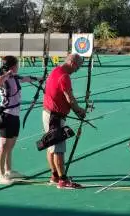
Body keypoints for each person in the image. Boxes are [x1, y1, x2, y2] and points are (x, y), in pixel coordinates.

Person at [0, 55, 42, 185]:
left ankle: (8, 171)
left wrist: (40, 79)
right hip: (6, 115)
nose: (18, 67)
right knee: (3, 145)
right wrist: (7, 73)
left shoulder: (14, 77)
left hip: (15, 116)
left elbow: (25, 78)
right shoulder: (3, 78)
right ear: (12, 66)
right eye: (17, 65)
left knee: (11, 145)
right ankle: (0, 175)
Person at [43, 54, 86, 189]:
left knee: (51, 146)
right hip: (54, 117)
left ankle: (55, 175)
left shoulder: (56, 70)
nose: (77, 70)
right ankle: (62, 180)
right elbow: (70, 98)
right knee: (58, 149)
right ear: (72, 63)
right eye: (78, 67)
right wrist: (79, 111)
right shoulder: (64, 76)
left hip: (48, 113)